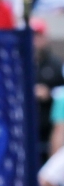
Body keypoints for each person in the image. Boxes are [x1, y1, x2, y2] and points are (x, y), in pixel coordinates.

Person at [32, 17, 64, 160]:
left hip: (50, 128)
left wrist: (48, 93)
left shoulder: (56, 65)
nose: (35, 40)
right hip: (27, 128)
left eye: (38, 35)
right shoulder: (20, 64)